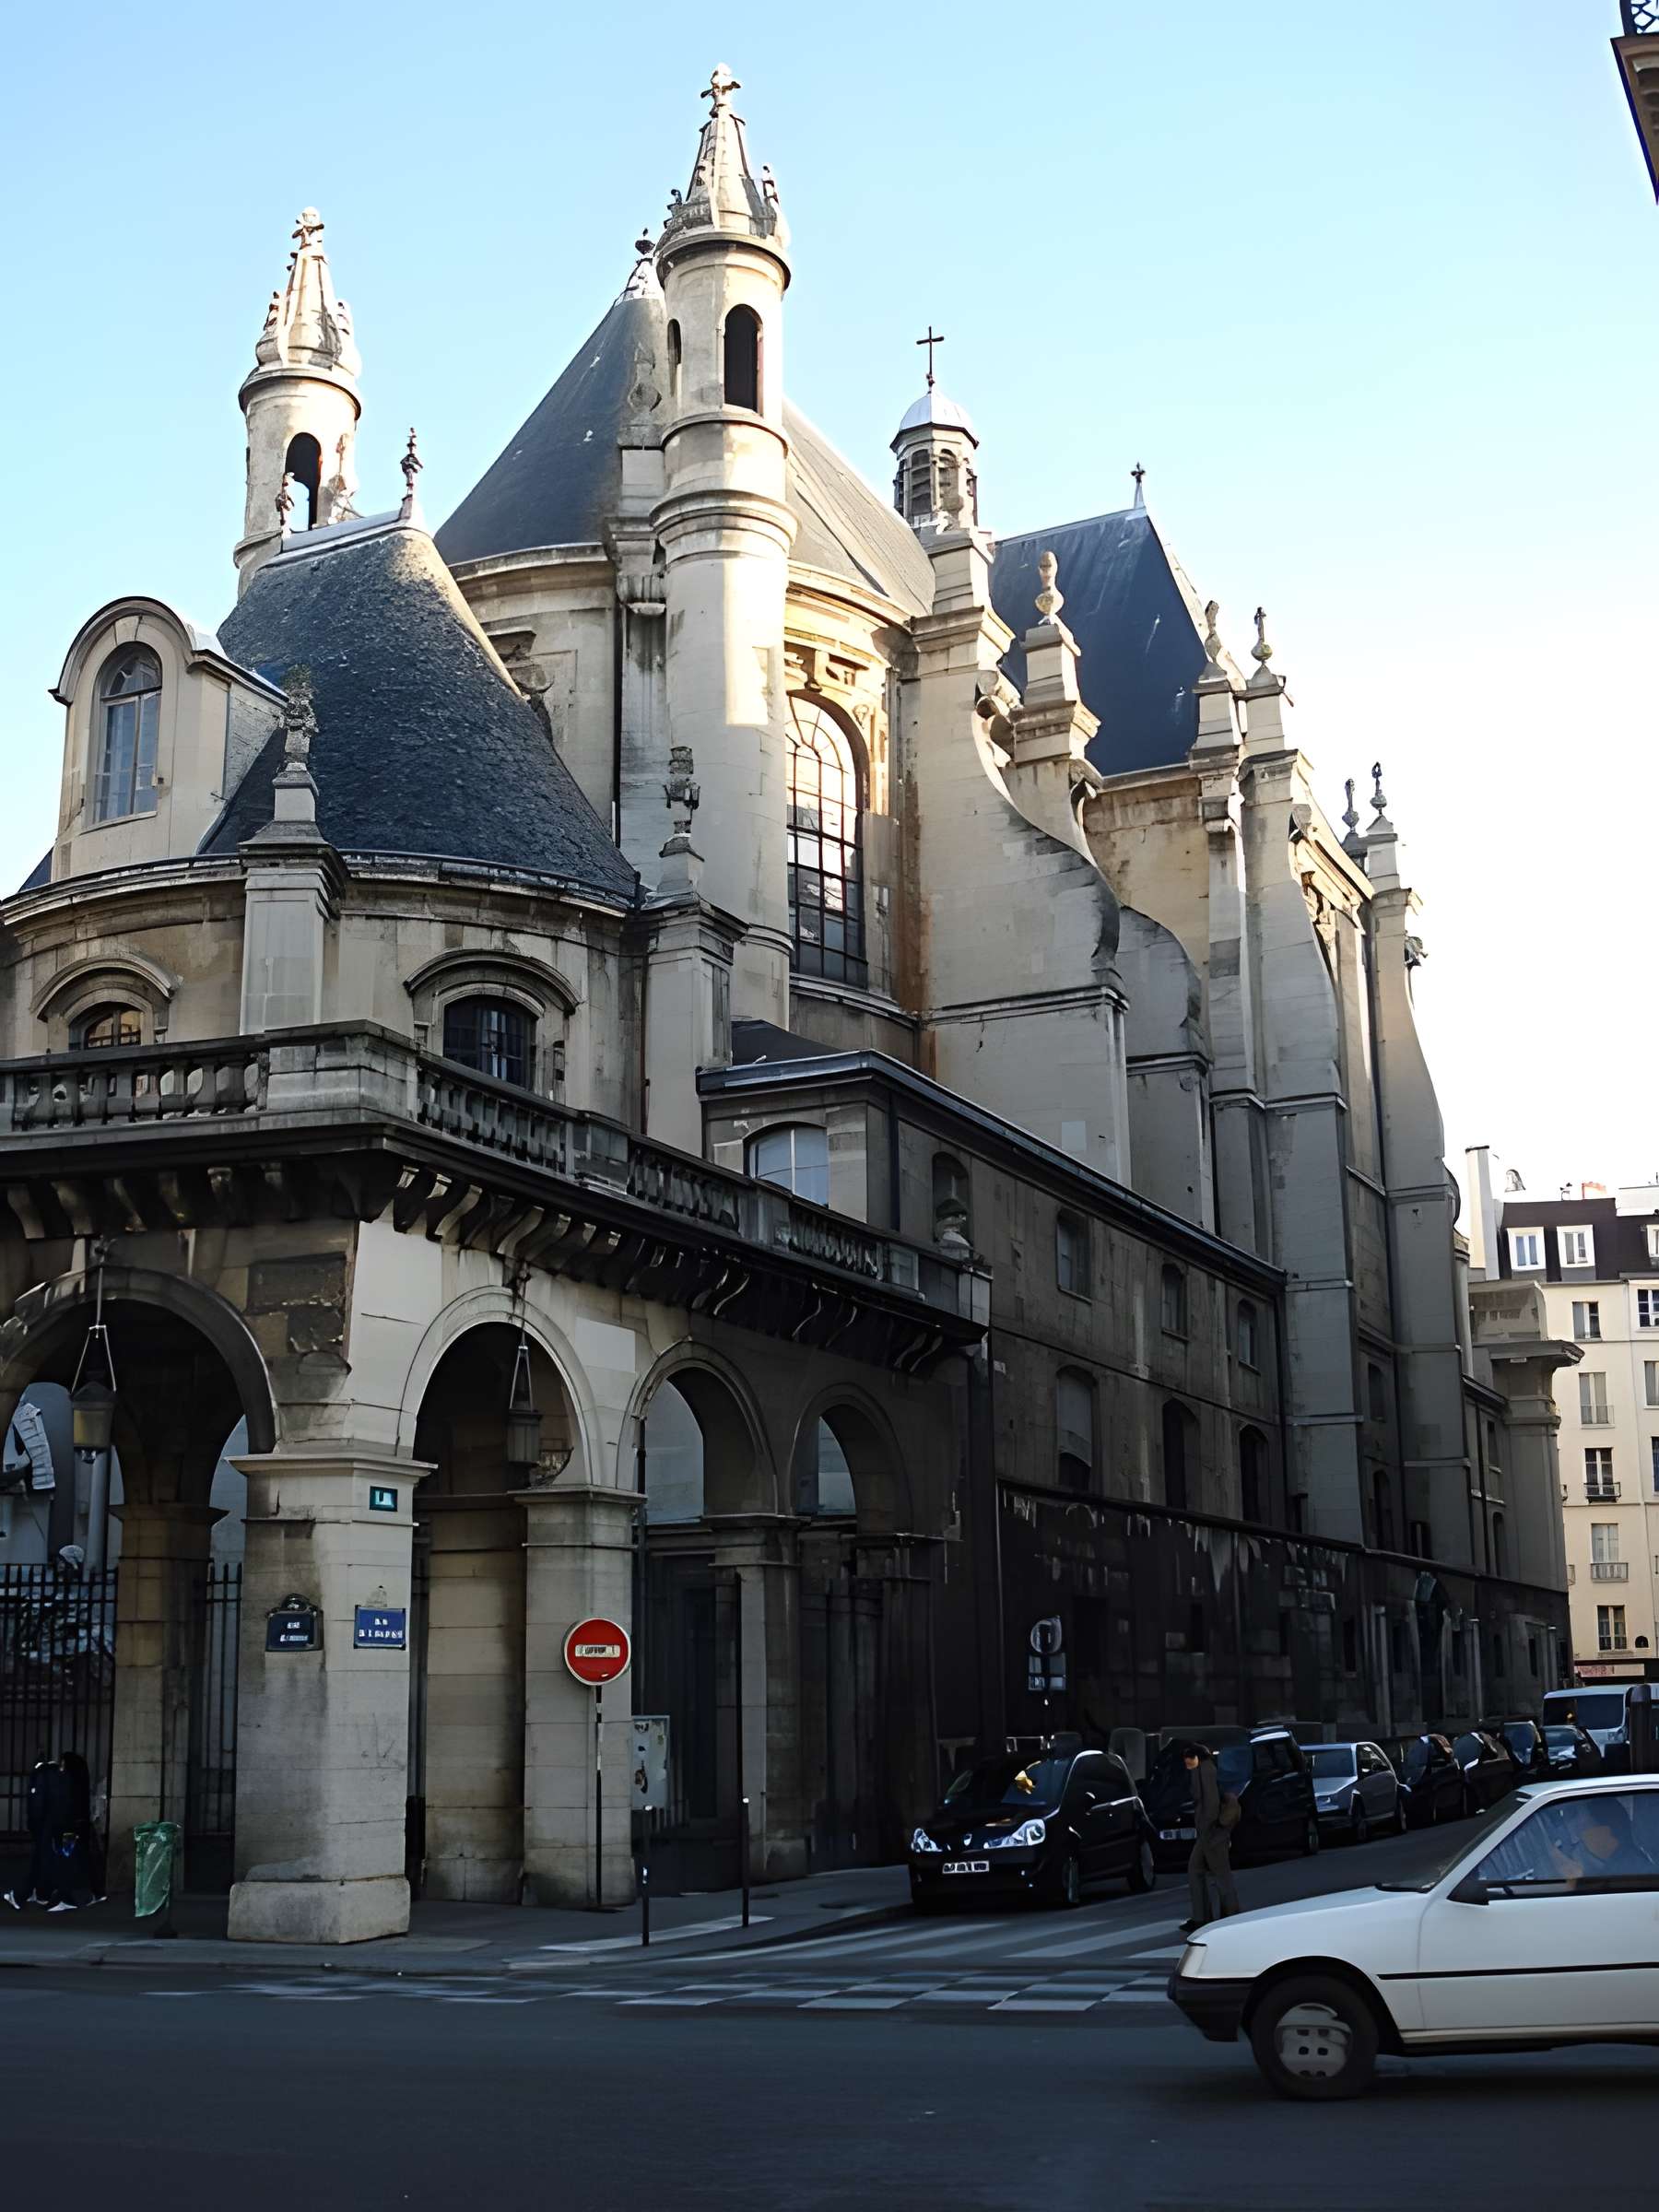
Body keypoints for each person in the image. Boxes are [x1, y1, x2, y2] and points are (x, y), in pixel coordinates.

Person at [1179, 1740, 1241, 1935]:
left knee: (1220, 1873)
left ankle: (1229, 1915)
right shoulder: (1202, 1769)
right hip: (1208, 1831)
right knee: (1197, 1870)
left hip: (1212, 1831)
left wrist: (1211, 1828)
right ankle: (1203, 1917)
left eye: (1188, 1759)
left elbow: (1210, 1802)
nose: (1186, 1763)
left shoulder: (1205, 1771)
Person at [3, 1752, 55, 1911]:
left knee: (39, 1861)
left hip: (43, 1825)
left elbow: (36, 1803)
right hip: (51, 1824)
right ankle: (41, 1894)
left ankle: (23, 1896)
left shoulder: (39, 1775)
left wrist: (32, 1822)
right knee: (43, 1860)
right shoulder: (54, 1775)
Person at [56, 1751, 105, 1907]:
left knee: (68, 1861)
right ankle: (97, 1892)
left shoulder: (70, 1783)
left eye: (63, 1764)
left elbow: (67, 1806)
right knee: (84, 1860)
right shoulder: (81, 1781)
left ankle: (66, 1897)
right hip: (80, 1825)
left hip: (71, 1827)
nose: (61, 1767)